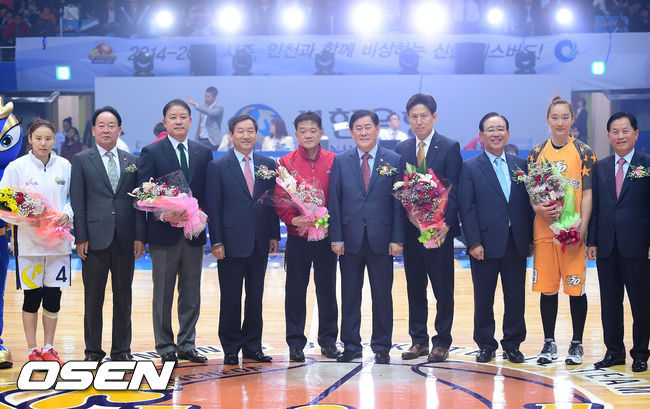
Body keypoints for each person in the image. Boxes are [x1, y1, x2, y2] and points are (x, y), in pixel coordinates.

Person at [137, 99, 212, 364]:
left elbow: (209, 193)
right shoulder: (151, 152)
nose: (178, 121)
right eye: (173, 117)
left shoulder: (203, 152)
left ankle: (187, 343)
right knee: (163, 294)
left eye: (183, 117)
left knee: (191, 292)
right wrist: (161, 213)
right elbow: (143, 193)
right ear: (165, 121)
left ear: (191, 121)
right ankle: (165, 345)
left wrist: (203, 216)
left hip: (193, 234)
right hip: (164, 234)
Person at [328, 109, 405, 364]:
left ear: (378, 129)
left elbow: (398, 203)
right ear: (351, 133)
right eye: (358, 128)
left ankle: (382, 346)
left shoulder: (393, 160)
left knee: (382, 296)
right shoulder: (341, 161)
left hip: (382, 239)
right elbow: (335, 201)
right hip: (349, 240)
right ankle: (351, 345)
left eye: (368, 127)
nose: (363, 132)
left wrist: (397, 239)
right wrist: (336, 237)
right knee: (350, 295)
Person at [70, 106, 145, 362]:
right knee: (93, 298)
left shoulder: (132, 161)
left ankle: (122, 349)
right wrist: (81, 237)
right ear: (93, 130)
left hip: (125, 239)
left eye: (111, 125)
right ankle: (93, 351)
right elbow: (78, 201)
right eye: (101, 125)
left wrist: (139, 236)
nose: (106, 130)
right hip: (93, 239)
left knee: (124, 296)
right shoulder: (81, 160)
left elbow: (138, 203)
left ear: (119, 129)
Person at [205, 114, 280, 365]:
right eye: (240, 131)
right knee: (230, 297)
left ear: (256, 135)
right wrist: (216, 241)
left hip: (260, 240)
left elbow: (272, 202)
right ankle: (230, 347)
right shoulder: (218, 166)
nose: (246, 136)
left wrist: (273, 234)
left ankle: (252, 346)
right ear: (231, 135)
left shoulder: (267, 164)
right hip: (230, 241)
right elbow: (213, 206)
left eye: (250, 131)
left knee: (255, 297)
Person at [459, 112, 534, 363]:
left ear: (508, 134)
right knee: (484, 298)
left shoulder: (521, 165)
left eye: (500, 128)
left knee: (515, 297)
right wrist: (473, 242)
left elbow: (528, 205)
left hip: (516, 242)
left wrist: (530, 239)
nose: (496, 133)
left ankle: (513, 344)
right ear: (481, 136)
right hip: (484, 244)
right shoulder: (470, 167)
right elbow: (466, 207)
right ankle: (486, 344)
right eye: (490, 129)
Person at [527, 96, 595, 366]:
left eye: (564, 117)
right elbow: (532, 193)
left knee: (576, 290)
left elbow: (587, 194)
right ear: (547, 120)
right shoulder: (536, 152)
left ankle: (576, 343)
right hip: (544, 233)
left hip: (572, 233)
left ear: (572, 119)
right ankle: (549, 342)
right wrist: (538, 209)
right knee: (547, 290)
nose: (559, 122)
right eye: (554, 117)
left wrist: (582, 229)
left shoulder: (584, 152)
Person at [395, 93, 462, 363]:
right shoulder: (401, 149)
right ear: (408, 119)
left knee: (442, 288)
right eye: (414, 116)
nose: (419, 121)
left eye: (424, 115)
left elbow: (456, 189)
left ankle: (442, 341)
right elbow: (399, 189)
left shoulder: (449, 146)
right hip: (412, 232)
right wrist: (410, 216)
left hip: (439, 232)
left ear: (434, 116)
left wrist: (446, 224)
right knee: (415, 287)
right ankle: (419, 341)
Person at [0, 118, 73, 365]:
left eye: (48, 138)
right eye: (39, 138)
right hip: (29, 244)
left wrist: (68, 214)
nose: (43, 143)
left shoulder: (65, 166)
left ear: (54, 140)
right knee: (32, 297)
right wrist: (24, 218)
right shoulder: (16, 167)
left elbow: (72, 199)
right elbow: (3, 204)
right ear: (29, 139)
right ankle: (32, 350)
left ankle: (49, 347)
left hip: (58, 244)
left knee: (53, 296)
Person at [273, 111, 339, 362]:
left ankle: (329, 341)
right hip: (298, 236)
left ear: (321, 133)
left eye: (313, 130)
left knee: (327, 289)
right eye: (303, 131)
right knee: (295, 289)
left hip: (325, 236)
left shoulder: (334, 161)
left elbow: (339, 196)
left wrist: (328, 220)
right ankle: (295, 343)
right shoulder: (285, 163)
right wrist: (294, 220)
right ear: (296, 134)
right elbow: (279, 199)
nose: (308, 135)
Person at [587, 112, 650, 373]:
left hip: (638, 247)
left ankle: (641, 353)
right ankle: (614, 352)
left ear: (636, 134)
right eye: (615, 131)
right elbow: (596, 208)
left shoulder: (646, 165)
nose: (620, 136)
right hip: (607, 246)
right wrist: (592, 241)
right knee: (609, 303)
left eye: (625, 131)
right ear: (608, 135)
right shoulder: (600, 167)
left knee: (641, 303)